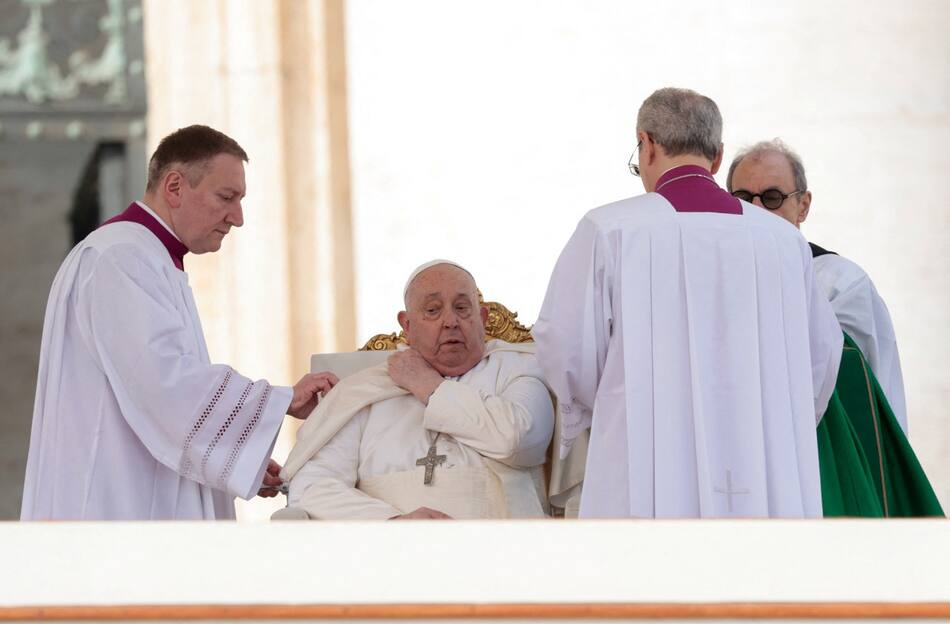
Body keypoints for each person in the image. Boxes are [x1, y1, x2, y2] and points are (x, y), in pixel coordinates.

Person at [533, 87, 843, 519]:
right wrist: (774, 412)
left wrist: (618, 401)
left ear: (648, 144)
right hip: (763, 458)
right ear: (717, 157)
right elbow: (822, 354)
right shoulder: (783, 243)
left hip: (645, 454)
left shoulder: (611, 230)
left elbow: (565, 348)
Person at [21, 125, 337, 520]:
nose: (237, 218)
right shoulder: (120, 258)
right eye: (227, 197)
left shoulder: (145, 256)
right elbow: (164, 384)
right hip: (116, 508)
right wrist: (281, 400)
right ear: (174, 187)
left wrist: (243, 459)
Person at [727, 140, 942, 517]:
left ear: (803, 205)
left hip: (823, 464)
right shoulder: (714, 279)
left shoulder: (840, 283)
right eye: (743, 197)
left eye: (773, 197)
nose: (756, 209)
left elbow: (862, 388)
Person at [278, 260, 554, 520]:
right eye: (433, 310)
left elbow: (520, 441)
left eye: (462, 308)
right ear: (407, 325)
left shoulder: (517, 368)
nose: (450, 321)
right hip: (389, 557)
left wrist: (429, 386)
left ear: (481, 318)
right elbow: (312, 486)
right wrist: (392, 522)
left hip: (501, 552)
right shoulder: (363, 391)